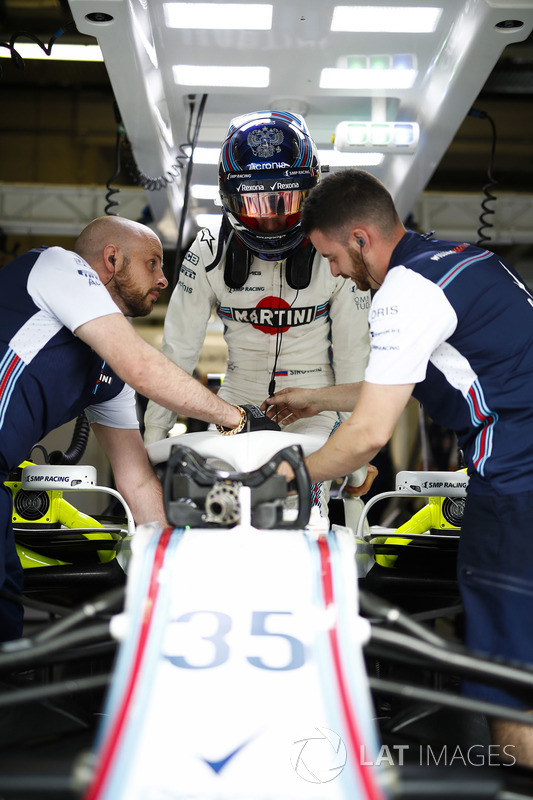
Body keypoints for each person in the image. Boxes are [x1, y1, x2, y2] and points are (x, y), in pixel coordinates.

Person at [266, 167, 533, 765]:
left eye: (332, 257)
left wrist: (281, 476)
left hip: (518, 488)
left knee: (510, 690)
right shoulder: (462, 261)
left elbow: (367, 436)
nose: (333, 272)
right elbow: (415, 377)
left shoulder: (404, 292)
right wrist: (317, 398)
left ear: (360, 238)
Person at [0, 215, 278, 642]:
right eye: (153, 263)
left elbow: (135, 480)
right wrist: (239, 419)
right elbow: (145, 368)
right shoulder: (58, 266)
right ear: (111, 259)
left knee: (7, 616)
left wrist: (186, 573)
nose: (164, 279)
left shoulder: (109, 368)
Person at [143, 110, 372, 524]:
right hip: (235, 402)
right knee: (220, 513)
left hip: (316, 405)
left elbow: (355, 356)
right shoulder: (208, 250)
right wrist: (153, 438)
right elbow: (178, 351)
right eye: (254, 204)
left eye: (284, 203)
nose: (269, 219)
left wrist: (356, 448)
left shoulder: (334, 254)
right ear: (229, 199)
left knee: (301, 512)